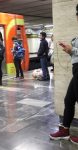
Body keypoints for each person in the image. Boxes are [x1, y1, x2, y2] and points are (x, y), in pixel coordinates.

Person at [50, 4, 78, 145]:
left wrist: (72, 50)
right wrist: (70, 49)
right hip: (76, 70)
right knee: (68, 100)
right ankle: (65, 130)